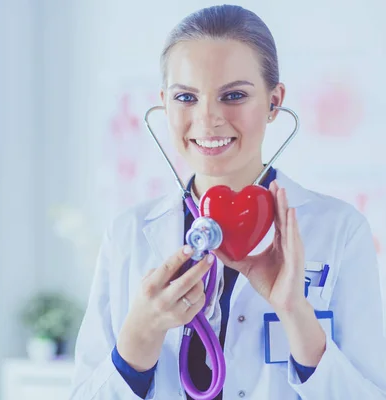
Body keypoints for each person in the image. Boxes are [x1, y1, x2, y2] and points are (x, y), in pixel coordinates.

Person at [69, 4, 386, 400]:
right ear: (164, 103)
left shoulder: (339, 230)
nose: (208, 119)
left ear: (274, 102)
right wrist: (138, 338)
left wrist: (295, 312)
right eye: (186, 97)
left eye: (233, 95)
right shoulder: (127, 233)